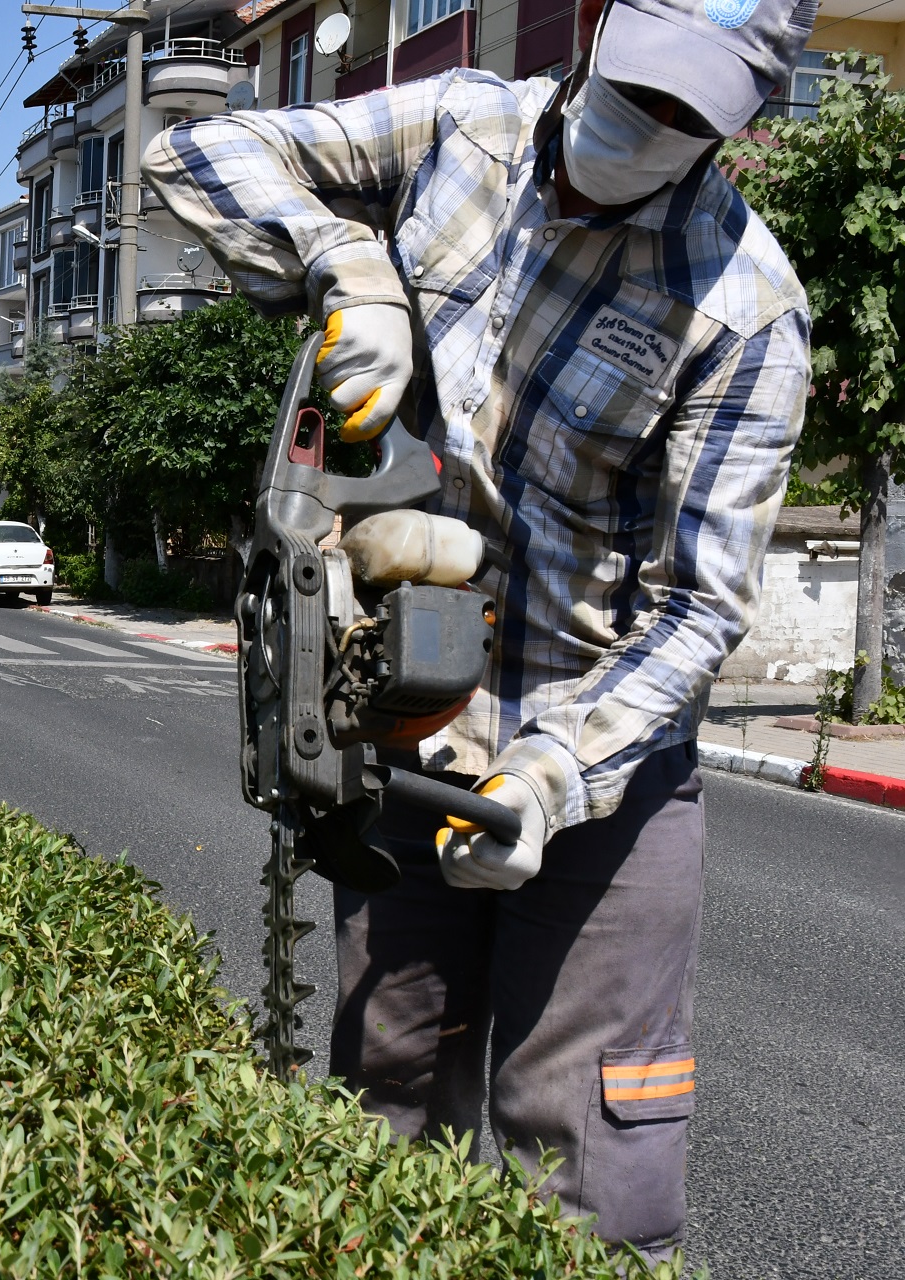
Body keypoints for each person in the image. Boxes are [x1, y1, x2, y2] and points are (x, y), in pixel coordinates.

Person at [145, 0, 813, 1260]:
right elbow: (193, 152)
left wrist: (549, 777)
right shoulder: (465, 130)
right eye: (638, 84)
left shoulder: (744, 308)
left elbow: (697, 606)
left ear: (742, 118)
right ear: (601, 27)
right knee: (381, 1124)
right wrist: (346, 268)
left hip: (599, 780)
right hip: (407, 732)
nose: (644, 124)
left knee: (592, 1168)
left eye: (685, 113)